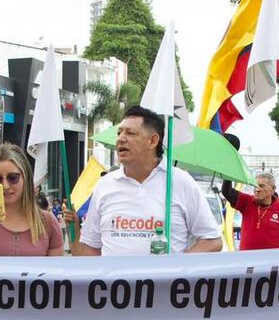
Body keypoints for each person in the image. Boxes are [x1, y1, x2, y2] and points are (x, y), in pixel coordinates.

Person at [65, 106, 222, 256]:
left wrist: (178, 266)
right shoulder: (104, 185)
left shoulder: (180, 182)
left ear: (153, 141)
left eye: (130, 133)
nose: (120, 139)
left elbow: (212, 241)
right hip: (115, 283)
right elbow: (89, 253)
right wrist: (73, 229)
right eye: (119, 133)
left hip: (165, 283)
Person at [221, 171, 279, 250]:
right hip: (246, 260)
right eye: (255, 186)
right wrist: (228, 170)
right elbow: (226, 191)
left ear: (273, 189)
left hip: (271, 261)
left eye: (262, 186)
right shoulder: (247, 201)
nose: (257, 189)